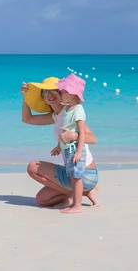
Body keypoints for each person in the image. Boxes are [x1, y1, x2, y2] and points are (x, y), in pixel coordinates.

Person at [21, 76, 100, 210]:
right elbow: (27, 119)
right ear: (43, 98)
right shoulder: (56, 117)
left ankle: (80, 193)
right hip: (72, 174)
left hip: (85, 173)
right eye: (45, 93)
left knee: (33, 167)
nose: (50, 95)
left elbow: (93, 138)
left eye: (54, 91)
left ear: (63, 93)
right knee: (43, 199)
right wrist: (27, 96)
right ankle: (76, 194)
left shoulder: (71, 112)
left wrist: (74, 135)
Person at [53, 74, 90, 213]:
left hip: (74, 149)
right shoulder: (67, 110)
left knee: (76, 177)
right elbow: (65, 130)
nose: (59, 94)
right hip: (67, 148)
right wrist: (58, 147)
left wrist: (79, 151)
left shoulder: (78, 110)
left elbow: (82, 133)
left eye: (62, 92)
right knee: (72, 176)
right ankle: (75, 202)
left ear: (72, 94)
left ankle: (77, 206)